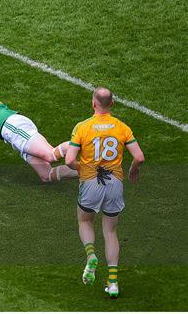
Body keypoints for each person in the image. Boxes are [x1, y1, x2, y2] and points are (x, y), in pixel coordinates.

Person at [65, 87, 145, 299]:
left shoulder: (82, 127)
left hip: (91, 183)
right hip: (114, 184)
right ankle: (113, 283)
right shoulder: (122, 127)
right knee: (110, 232)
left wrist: (82, 168)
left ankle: (91, 255)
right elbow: (139, 157)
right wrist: (133, 169)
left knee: (84, 221)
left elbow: (69, 160)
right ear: (112, 104)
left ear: (93, 103)